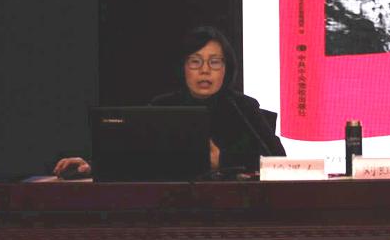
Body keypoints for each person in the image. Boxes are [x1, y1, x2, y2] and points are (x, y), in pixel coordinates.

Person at [53, 26, 286, 178]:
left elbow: (280, 162)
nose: (205, 70)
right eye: (195, 62)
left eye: (215, 62)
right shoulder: (163, 107)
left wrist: (223, 160)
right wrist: (89, 166)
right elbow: (132, 156)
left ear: (227, 68)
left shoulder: (244, 108)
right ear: (183, 67)